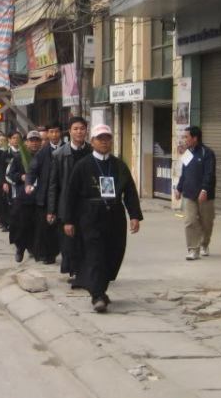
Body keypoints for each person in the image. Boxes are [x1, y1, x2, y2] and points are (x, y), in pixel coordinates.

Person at [64, 124, 143, 313]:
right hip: (90, 216)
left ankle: (100, 289)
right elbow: (71, 194)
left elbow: (130, 191)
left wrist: (134, 215)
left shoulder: (119, 165)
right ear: (92, 142)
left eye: (107, 138)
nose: (104, 142)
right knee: (95, 255)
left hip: (114, 216)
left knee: (112, 254)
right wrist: (68, 220)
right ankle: (97, 296)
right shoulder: (83, 165)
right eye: (100, 139)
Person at [48, 117, 92, 281]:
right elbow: (53, 185)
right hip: (67, 205)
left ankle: (85, 272)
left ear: (86, 130)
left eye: (82, 128)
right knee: (70, 242)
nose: (79, 132)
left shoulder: (92, 152)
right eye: (75, 129)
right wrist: (51, 210)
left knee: (87, 239)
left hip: (88, 204)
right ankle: (75, 271)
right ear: (69, 131)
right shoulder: (59, 154)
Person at [175, 126, 217, 261]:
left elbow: (209, 174)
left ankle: (204, 244)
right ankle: (193, 249)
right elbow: (184, 174)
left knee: (207, 223)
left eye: (186, 137)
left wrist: (204, 190)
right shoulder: (187, 153)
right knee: (190, 221)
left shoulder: (207, 153)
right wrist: (179, 188)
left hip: (205, 196)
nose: (184, 139)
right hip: (189, 194)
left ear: (195, 138)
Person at [26, 122, 63, 264]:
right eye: (51, 132)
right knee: (46, 227)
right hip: (45, 195)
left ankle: (63, 252)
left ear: (61, 133)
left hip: (63, 194)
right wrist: (29, 183)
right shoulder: (42, 153)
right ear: (47, 134)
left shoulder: (67, 150)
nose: (54, 135)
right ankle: (48, 254)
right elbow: (32, 171)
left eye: (57, 131)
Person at [6, 131, 41, 263]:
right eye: (31, 140)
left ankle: (34, 248)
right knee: (20, 225)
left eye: (37, 140)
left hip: (39, 197)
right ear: (26, 142)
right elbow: (9, 175)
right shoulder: (18, 157)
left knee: (35, 225)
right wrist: (20, 177)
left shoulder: (44, 156)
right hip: (22, 197)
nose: (34, 143)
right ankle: (20, 248)